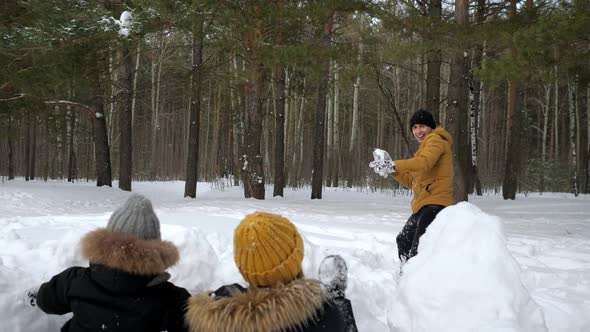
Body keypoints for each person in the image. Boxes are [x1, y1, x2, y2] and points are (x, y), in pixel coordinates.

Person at [29, 194, 190, 332]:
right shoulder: (167, 298)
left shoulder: (75, 280)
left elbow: (46, 300)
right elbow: (196, 321)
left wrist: (34, 297)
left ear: (104, 241)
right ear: (154, 250)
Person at [184, 211, 346, 332]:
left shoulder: (215, 311)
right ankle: (339, 298)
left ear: (244, 267)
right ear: (295, 260)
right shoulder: (323, 316)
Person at [370, 109, 453, 265]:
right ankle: (406, 274)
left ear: (430, 127)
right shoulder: (424, 149)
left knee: (418, 250)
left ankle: (417, 281)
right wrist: (391, 170)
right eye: (414, 127)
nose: (418, 131)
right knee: (403, 240)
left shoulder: (436, 140)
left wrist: (393, 165)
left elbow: (423, 163)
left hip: (436, 205)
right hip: (423, 205)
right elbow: (411, 181)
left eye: (422, 126)